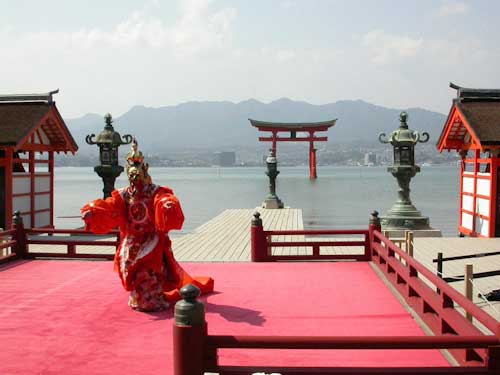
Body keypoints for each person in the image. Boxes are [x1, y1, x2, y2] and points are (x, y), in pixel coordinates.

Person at [81, 139, 213, 311]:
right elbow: (111, 206)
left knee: (149, 269)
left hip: (151, 238)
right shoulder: (124, 194)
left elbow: (162, 199)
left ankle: (152, 299)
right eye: (132, 177)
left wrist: (167, 205)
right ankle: (138, 297)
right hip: (131, 238)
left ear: (144, 173)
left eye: (137, 176)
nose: (135, 180)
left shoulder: (154, 191)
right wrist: (94, 211)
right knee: (130, 267)